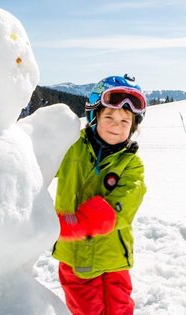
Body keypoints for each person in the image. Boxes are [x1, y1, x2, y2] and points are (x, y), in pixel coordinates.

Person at [53, 74, 148, 315]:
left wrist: (74, 224)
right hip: (75, 258)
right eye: (109, 117)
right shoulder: (70, 147)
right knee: (86, 310)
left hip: (114, 258)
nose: (117, 125)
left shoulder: (132, 165)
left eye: (125, 121)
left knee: (120, 309)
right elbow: (35, 165)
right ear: (94, 116)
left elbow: (122, 205)